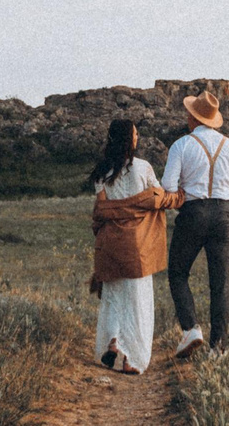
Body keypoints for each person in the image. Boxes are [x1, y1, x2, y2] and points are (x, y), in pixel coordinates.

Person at [161, 87, 229, 359]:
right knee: (220, 283)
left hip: (192, 212)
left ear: (193, 118)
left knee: (178, 273)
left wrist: (180, 197)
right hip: (224, 216)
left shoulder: (181, 145)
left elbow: (168, 185)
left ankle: (191, 329)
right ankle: (218, 348)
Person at [88, 118, 183, 374]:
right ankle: (131, 359)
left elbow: (101, 211)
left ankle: (113, 342)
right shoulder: (143, 168)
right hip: (137, 248)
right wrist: (181, 197)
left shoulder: (102, 172)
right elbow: (159, 198)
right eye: (136, 134)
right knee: (137, 302)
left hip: (110, 245)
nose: (138, 138)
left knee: (114, 299)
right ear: (129, 139)